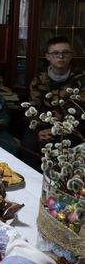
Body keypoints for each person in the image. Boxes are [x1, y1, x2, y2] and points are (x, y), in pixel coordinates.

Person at [21, 36, 85, 170]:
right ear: (48, 57)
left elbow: (80, 113)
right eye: (56, 53)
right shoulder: (39, 78)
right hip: (42, 124)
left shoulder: (81, 79)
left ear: (71, 55)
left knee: (62, 147)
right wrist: (39, 130)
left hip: (71, 128)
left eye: (65, 53)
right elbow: (33, 108)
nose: (60, 56)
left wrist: (55, 130)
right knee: (28, 144)